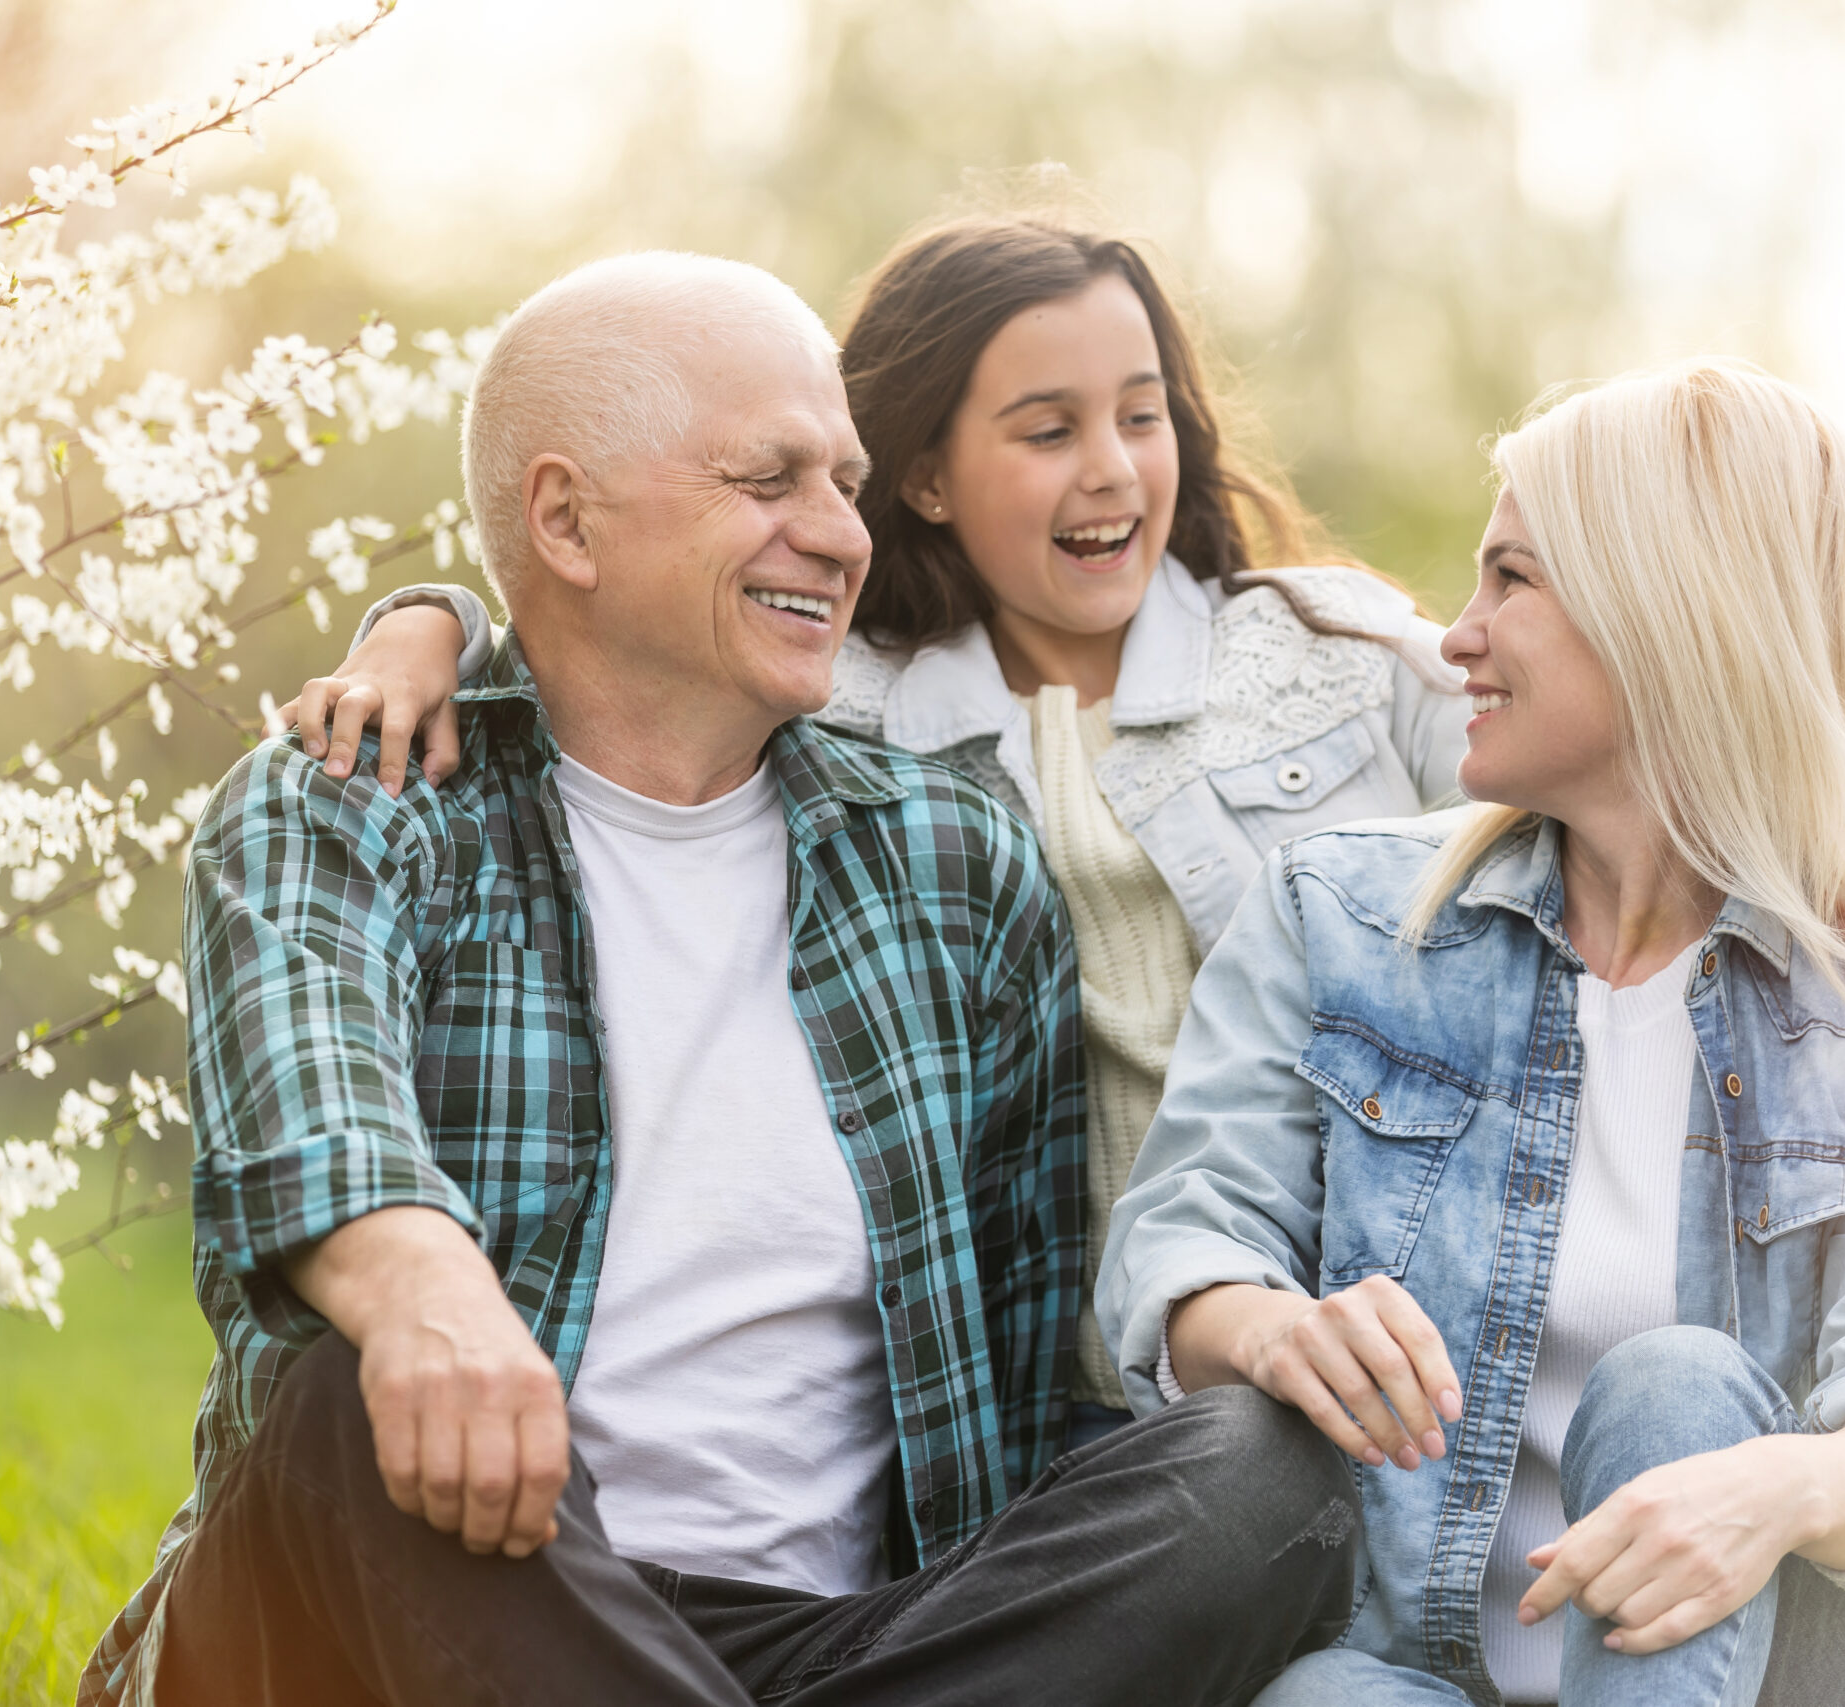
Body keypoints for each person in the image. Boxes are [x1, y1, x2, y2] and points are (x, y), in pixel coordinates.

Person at [79, 251, 1358, 1707]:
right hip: (437, 1598)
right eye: (770, 481)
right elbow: (310, 1118)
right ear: (564, 518)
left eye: (847, 479)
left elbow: (1010, 1359)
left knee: (1264, 1471)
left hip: (842, 1645)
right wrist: (429, 1290)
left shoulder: (950, 856)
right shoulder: (353, 802)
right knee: (344, 1406)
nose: (838, 531)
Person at [303, 214, 1476, 1448]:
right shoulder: (849, 703)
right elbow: (609, 609)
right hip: (1084, 1383)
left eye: (1142, 416)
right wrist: (427, 626)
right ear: (921, 476)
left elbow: (1552, 783)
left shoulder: (1333, 651)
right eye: (1047, 431)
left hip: (1379, 1313)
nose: (1114, 471)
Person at [1098, 359, 1845, 1705]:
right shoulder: (1342, 913)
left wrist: (1771, 1488)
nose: (1455, 638)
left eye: (1514, 580)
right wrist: (1264, 1325)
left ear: (1670, 614)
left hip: (1799, 1668)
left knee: (1677, 1389)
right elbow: (1181, 1240)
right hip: (1430, 1664)